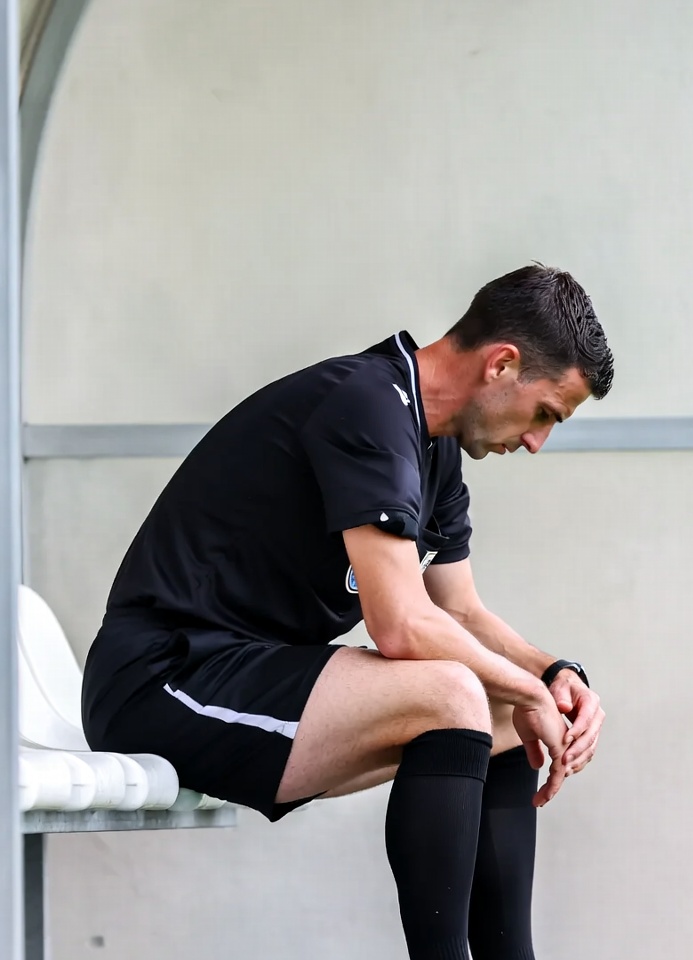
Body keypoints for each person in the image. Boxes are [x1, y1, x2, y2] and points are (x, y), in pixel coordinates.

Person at [81, 263, 615, 960]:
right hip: (164, 682)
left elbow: (459, 612)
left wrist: (552, 675)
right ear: (502, 365)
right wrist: (523, 689)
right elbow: (399, 626)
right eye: (547, 412)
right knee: (456, 689)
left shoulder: (436, 446)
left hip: (253, 672)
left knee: (497, 707)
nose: (538, 440)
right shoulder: (366, 404)